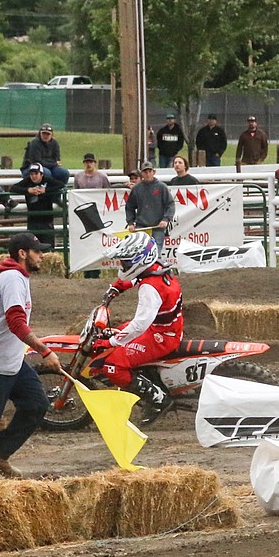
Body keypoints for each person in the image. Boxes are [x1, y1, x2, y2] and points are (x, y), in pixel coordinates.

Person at [0, 232, 60, 479]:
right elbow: (16, 323)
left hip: (10, 362)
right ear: (23, 253)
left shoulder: (17, 277)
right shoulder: (11, 278)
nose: (42, 255)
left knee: (36, 404)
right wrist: (45, 351)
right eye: (37, 250)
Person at [97, 233, 184, 424]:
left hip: (161, 335)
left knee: (113, 366)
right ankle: (144, 378)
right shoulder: (158, 268)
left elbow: (139, 325)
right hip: (165, 328)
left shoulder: (150, 289)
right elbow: (137, 276)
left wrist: (110, 342)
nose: (123, 266)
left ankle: (159, 400)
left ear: (139, 260)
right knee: (120, 331)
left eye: (125, 263)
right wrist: (117, 287)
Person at [11, 163, 65, 248]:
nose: (33, 176)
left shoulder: (47, 180)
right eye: (31, 174)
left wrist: (46, 190)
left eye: (36, 173)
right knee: (33, 247)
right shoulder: (27, 181)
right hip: (33, 220)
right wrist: (28, 190)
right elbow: (13, 188)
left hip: (47, 220)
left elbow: (61, 185)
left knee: (48, 246)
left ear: (41, 174)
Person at [74, 153, 110, 279]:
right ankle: (87, 271)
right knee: (87, 243)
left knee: (96, 242)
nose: (89, 164)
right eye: (87, 162)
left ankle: (95, 271)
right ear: (84, 163)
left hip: (97, 213)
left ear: (94, 163)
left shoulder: (102, 177)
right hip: (84, 214)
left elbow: (107, 193)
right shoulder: (78, 177)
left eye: (91, 162)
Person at [125, 161, 175, 250]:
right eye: (145, 172)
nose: (148, 174)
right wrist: (131, 223)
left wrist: (166, 219)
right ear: (141, 174)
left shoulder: (162, 187)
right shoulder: (137, 189)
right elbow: (129, 207)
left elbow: (170, 204)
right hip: (141, 227)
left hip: (158, 227)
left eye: (150, 171)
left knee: (156, 253)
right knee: (141, 253)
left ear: (154, 172)